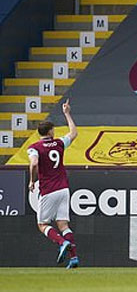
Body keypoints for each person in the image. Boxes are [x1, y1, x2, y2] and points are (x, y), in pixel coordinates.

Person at [28, 99, 79, 268]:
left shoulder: (34, 147)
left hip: (49, 190)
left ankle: (61, 243)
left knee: (42, 224)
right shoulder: (58, 143)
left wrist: (31, 180)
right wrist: (67, 114)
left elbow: (34, 163)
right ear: (50, 132)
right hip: (64, 189)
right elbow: (73, 133)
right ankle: (74, 258)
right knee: (63, 224)